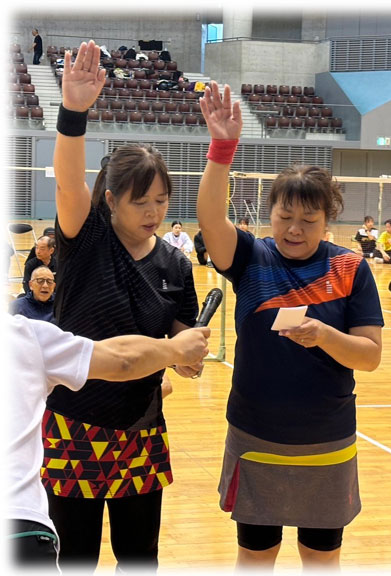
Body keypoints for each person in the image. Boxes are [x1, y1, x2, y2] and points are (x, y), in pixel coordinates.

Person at [198, 81, 384, 570]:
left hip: (327, 438)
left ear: (328, 220)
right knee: (255, 557)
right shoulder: (251, 257)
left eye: (309, 219)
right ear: (271, 215)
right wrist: (222, 148)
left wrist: (324, 336)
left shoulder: (350, 268)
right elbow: (210, 219)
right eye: (284, 216)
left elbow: (369, 356)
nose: (294, 229)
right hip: (256, 435)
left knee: (321, 559)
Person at [42, 40, 200, 572]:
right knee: (74, 558)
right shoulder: (85, 239)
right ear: (110, 200)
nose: (153, 212)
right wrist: (74, 110)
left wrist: (189, 356)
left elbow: (181, 343)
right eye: (140, 202)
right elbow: (69, 182)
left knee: (139, 557)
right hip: (74, 425)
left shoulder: (176, 265)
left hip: (142, 429)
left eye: (161, 201)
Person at [6, 313, 209, 571]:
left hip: (140, 435)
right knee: (76, 555)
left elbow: (144, 364)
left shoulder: (26, 334)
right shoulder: (26, 333)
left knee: (139, 556)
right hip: (68, 442)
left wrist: (178, 353)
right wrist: (176, 350)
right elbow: (122, 360)